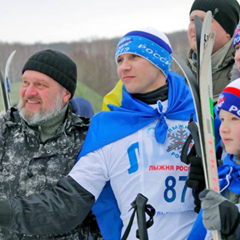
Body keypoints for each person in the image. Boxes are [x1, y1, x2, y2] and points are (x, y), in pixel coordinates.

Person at [0, 28, 197, 239]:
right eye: (119, 60)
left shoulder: (200, 116)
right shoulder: (108, 128)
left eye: (135, 57)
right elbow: (67, 204)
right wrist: (6, 211)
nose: (124, 67)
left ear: (159, 61)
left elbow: (229, 180)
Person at [0, 49, 101, 240]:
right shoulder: (3, 130)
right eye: (25, 83)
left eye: (40, 85)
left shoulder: (87, 139)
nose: (29, 92)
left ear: (65, 94)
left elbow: (87, 208)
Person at [193, 78, 240, 239]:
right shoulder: (225, 175)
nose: (224, 129)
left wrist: (236, 223)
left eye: (234, 119)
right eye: (222, 118)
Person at [187, 0, 240, 103]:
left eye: (203, 20)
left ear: (227, 31)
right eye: (192, 20)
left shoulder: (237, 71)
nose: (194, 27)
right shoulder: (180, 76)